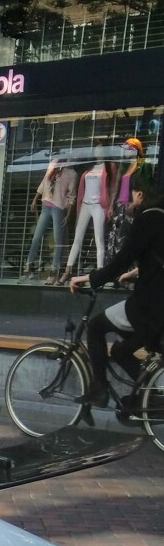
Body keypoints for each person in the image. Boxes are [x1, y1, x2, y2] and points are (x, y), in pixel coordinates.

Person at [70, 174, 164, 411]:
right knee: (120, 350)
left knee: (95, 327)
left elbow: (121, 260)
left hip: (150, 306)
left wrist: (90, 279)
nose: (127, 201)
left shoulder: (147, 219)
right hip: (158, 308)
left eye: (129, 195)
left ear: (140, 194)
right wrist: (134, 274)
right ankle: (149, 396)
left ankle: (99, 389)